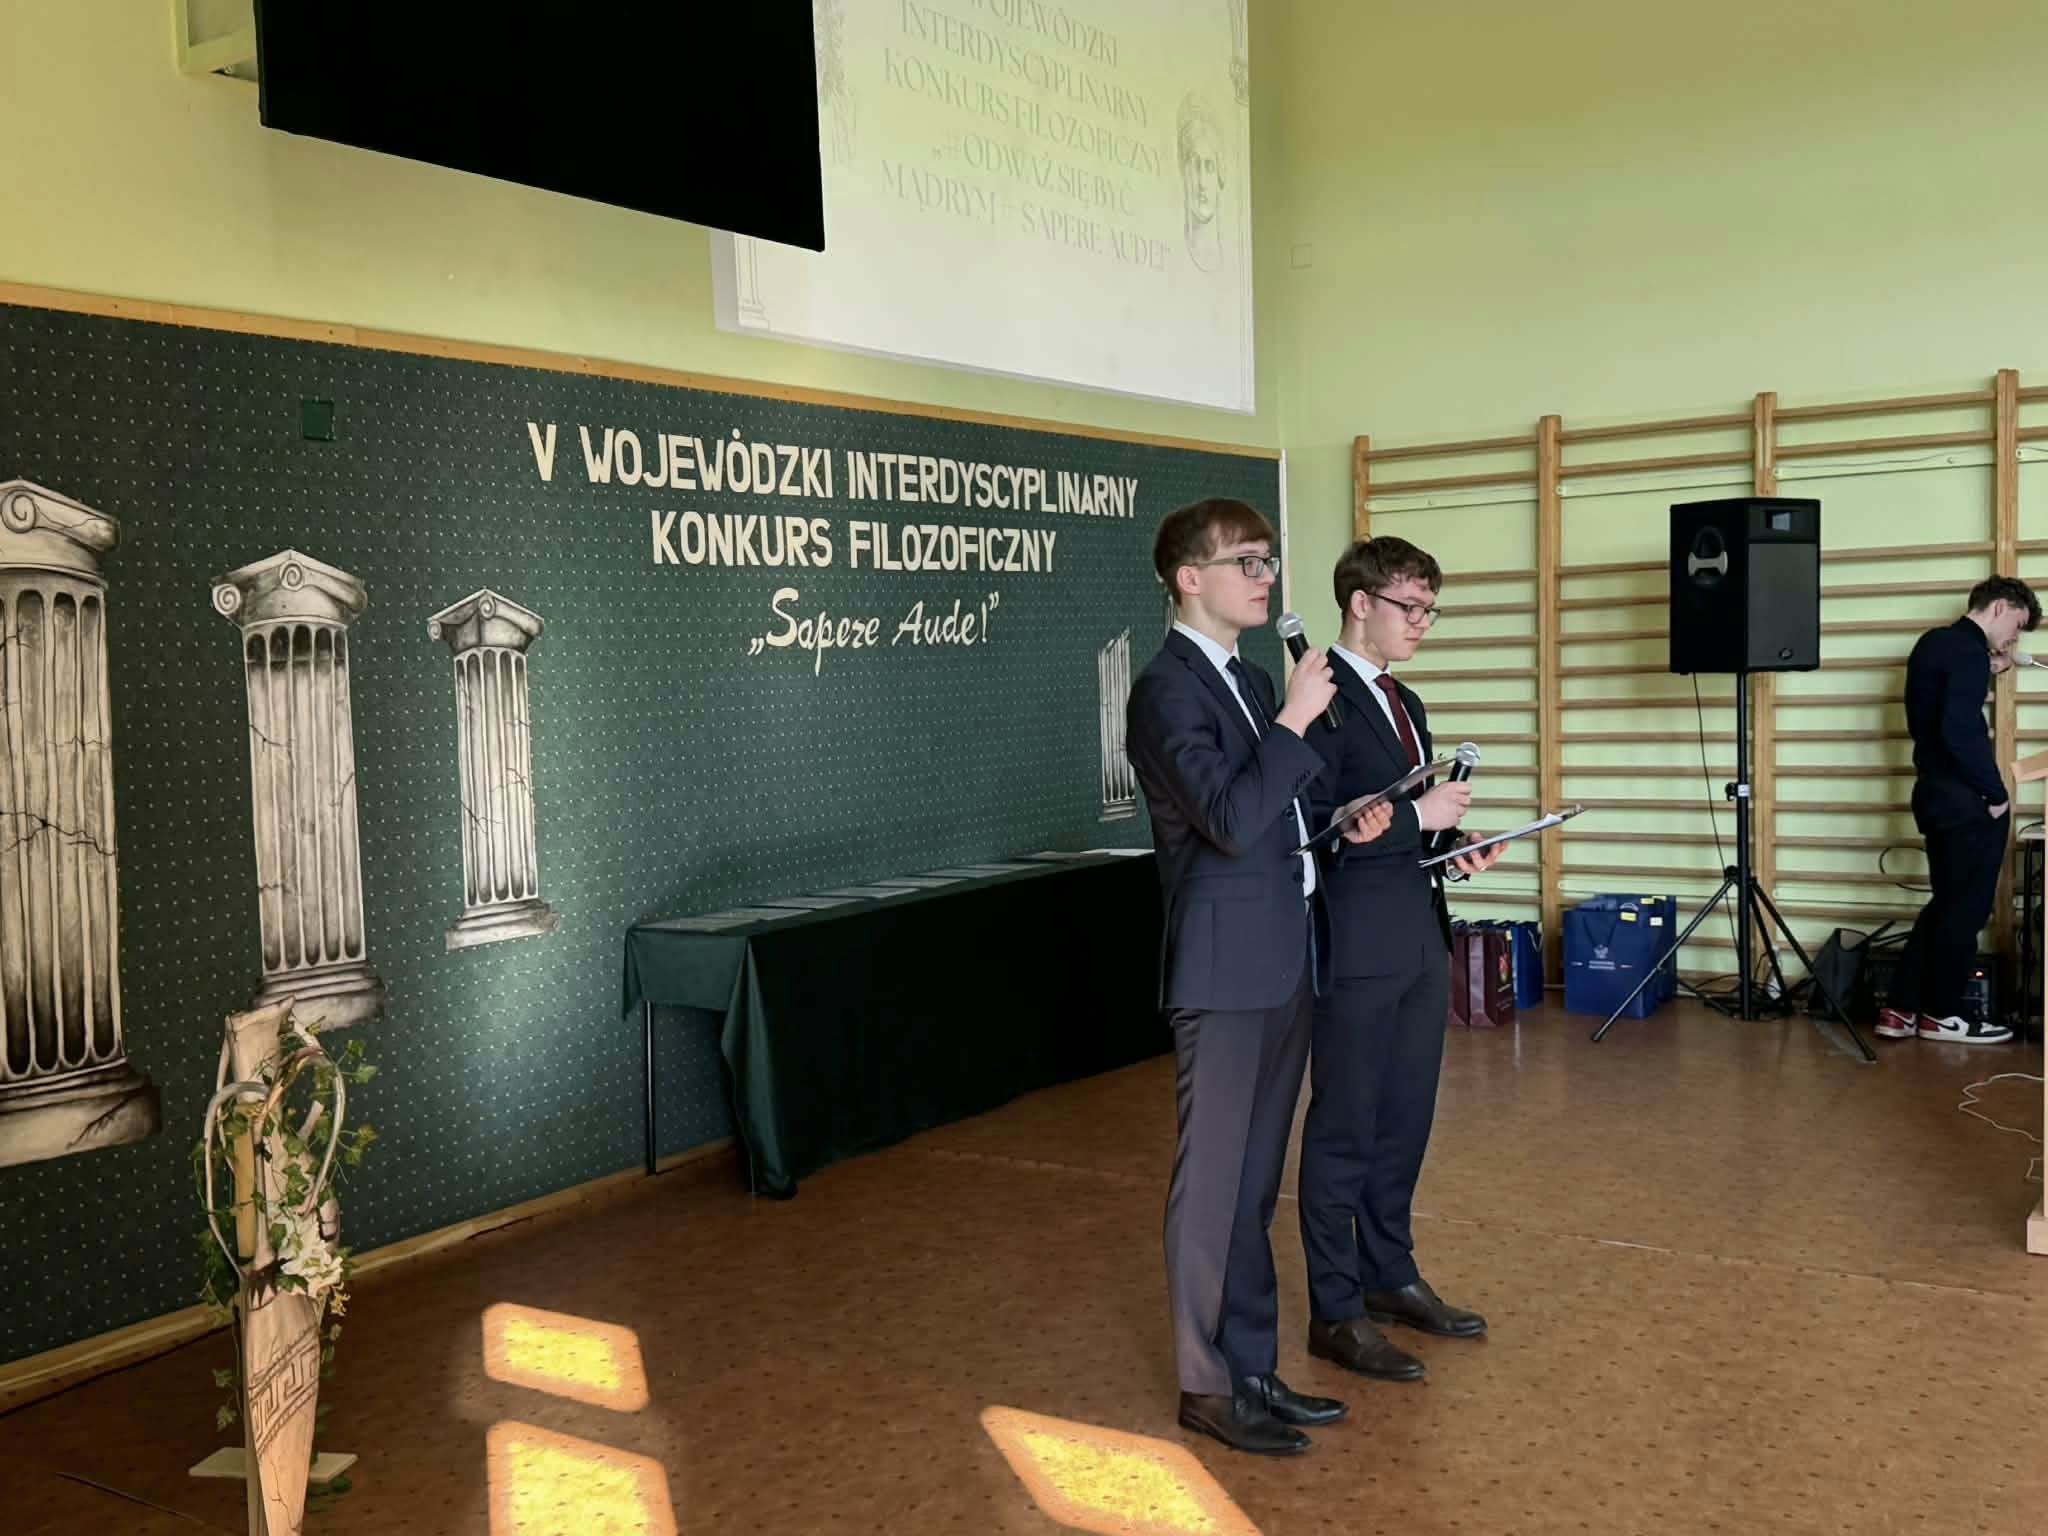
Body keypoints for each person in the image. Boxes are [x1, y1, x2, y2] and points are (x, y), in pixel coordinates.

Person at [1125, 497, 1392, 1457]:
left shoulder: (1245, 677)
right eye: (1245, 561)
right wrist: (1295, 719)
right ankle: (1205, 1386)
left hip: (1284, 956)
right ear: (1188, 578)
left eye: (1269, 560)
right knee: (1210, 1189)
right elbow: (1230, 823)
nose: (1265, 576)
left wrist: (1343, 820)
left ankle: (1251, 1367)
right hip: (1223, 967)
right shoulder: (1166, 691)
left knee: (1251, 1185)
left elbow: (1278, 812)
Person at [1298, 536, 1499, 1385]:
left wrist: (1454, 845)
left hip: (1418, 934)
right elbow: (1313, 827)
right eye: (1409, 607)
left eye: (1429, 610)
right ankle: (1335, 1309)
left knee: (1406, 1119)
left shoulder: (1404, 698)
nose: (1421, 623)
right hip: (1354, 942)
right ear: (1360, 603)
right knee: (1345, 1126)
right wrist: (1420, 820)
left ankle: (1389, 1272)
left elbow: (1404, 824)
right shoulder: (1316, 695)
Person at [1876, 576, 2038, 1045]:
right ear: (2001, 607)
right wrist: (1996, 793)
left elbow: (1944, 704)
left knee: (1946, 905)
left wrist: (1994, 664)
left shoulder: (1935, 645)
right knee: (1965, 912)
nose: (2015, 638)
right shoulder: (1968, 654)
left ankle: (1900, 1008)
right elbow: (1960, 728)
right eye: (2017, 625)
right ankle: (1943, 1014)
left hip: (1933, 795)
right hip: (1968, 802)